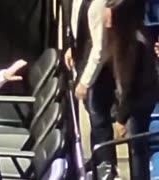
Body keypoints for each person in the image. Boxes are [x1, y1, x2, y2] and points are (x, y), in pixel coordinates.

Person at [104, 1, 159, 179]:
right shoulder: (134, 35)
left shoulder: (133, 42)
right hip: (142, 99)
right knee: (138, 149)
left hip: (139, 103)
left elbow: (129, 84)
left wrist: (121, 118)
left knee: (138, 150)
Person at [65, 0, 117, 174]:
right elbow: (78, 29)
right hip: (82, 62)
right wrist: (72, 48)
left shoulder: (97, 4)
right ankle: (96, 164)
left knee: (99, 121)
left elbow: (100, 49)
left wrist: (85, 82)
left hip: (98, 72)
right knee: (93, 118)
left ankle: (107, 169)